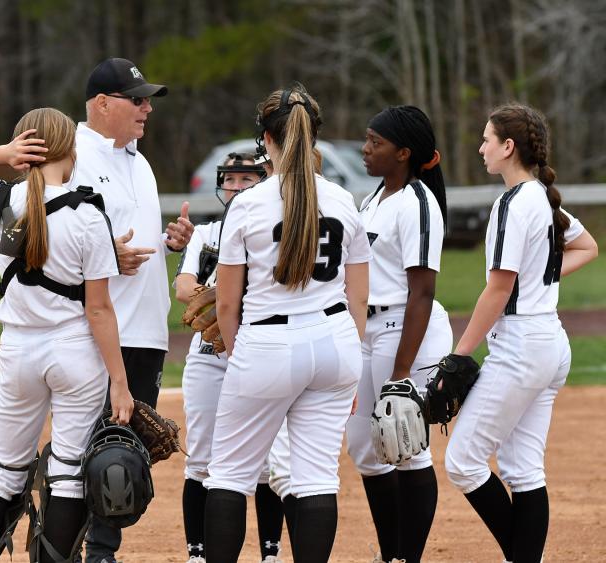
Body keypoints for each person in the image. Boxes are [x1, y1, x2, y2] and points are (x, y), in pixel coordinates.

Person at [0, 107, 134, 563]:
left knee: (4, 473)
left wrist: (4, 154)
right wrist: (120, 380)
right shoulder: (90, 213)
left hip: (18, 350)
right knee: (69, 475)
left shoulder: (5, 202)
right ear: (70, 151)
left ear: (25, 152)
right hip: (74, 352)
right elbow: (99, 309)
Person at [202, 84, 371, 563]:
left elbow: (228, 304)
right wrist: (352, 357)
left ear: (267, 141)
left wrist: (240, 358)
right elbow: (357, 294)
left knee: (231, 475)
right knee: (316, 476)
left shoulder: (249, 204)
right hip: (336, 341)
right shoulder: (342, 199)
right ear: (313, 138)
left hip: (268, 340)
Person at [444, 103, 598, 563]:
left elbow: (498, 288)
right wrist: (543, 278)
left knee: (463, 462)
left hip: (523, 348)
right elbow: (587, 247)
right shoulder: (542, 199)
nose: (481, 147)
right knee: (524, 470)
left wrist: (459, 355)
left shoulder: (514, 203)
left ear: (508, 147)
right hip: (550, 343)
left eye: (487, 139)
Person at [66, 57, 194, 563]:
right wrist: (99, 256)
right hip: (95, 326)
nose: (146, 107)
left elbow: (133, 245)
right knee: (85, 452)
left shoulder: (138, 161)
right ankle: (63, 548)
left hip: (145, 329)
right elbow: (42, 234)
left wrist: (169, 243)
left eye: (148, 99)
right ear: (102, 104)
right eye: (136, 98)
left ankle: (101, 552)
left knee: (123, 455)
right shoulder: (70, 154)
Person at [343, 105, 453, 563]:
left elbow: (423, 292)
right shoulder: (374, 198)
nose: (366, 150)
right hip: (368, 329)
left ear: (404, 153)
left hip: (404, 329)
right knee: (365, 449)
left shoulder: (418, 203)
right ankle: (392, 555)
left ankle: (409, 557)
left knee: (404, 442)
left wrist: (403, 373)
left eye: (376, 142)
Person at [176, 153, 285, 563]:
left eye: (248, 178)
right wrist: (226, 292)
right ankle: (197, 553)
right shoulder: (206, 233)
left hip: (259, 351)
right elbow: (185, 288)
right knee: (202, 458)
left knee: (265, 461)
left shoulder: (271, 229)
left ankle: (270, 553)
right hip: (210, 354)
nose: (237, 186)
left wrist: (224, 292)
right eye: (231, 179)